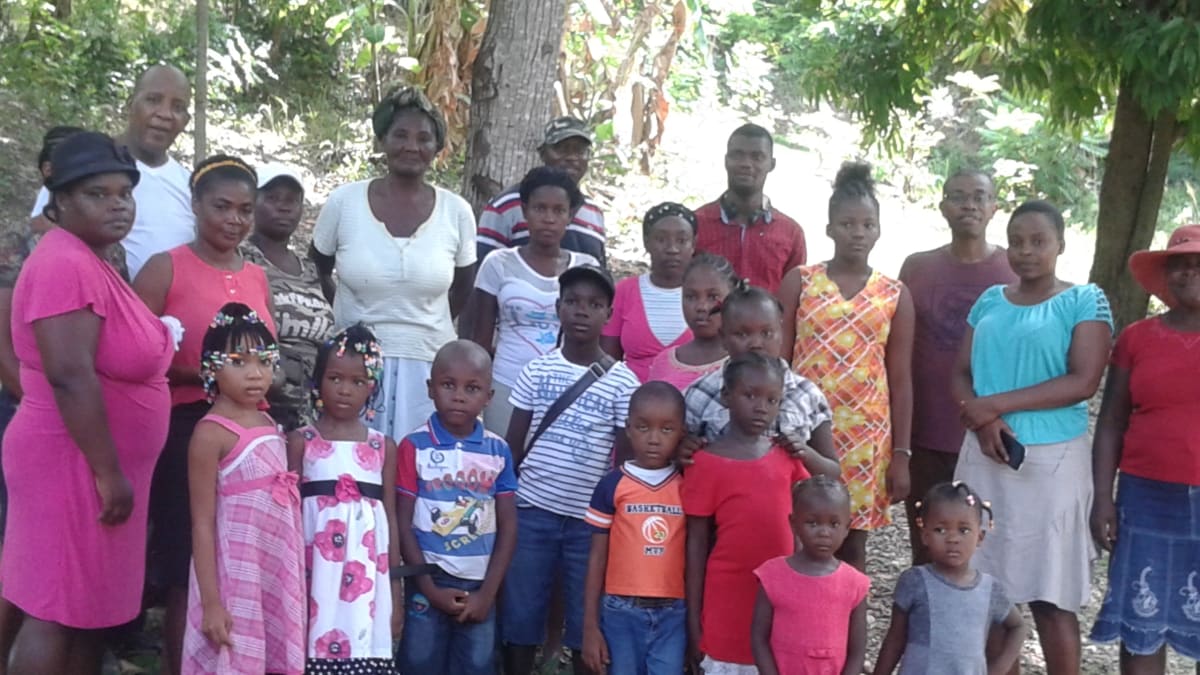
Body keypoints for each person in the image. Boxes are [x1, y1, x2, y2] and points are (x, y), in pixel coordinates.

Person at [0, 132, 174, 674]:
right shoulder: (62, 263)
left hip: (94, 463)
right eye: (98, 194)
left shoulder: (92, 260)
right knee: (54, 607)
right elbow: (70, 376)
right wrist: (107, 472)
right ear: (61, 201)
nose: (118, 204)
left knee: (85, 611)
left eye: (125, 193)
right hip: (72, 461)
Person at [951, 200, 1112, 675]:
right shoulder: (990, 300)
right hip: (984, 455)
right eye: (1016, 242)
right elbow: (960, 373)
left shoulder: (1084, 301)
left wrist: (995, 405)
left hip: (1051, 466)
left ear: (1061, 244)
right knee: (985, 588)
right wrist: (983, 421)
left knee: (1050, 594)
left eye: (1038, 241)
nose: (1026, 251)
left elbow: (1083, 381)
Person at [134, 154, 276, 675]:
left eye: (245, 209)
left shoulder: (257, 276)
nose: (234, 220)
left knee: (241, 554)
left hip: (250, 434)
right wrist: (207, 375)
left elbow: (265, 354)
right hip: (186, 428)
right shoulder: (165, 267)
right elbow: (130, 353)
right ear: (195, 206)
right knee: (186, 560)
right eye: (222, 207)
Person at [312, 86, 476, 440]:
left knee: (418, 463)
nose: (411, 146)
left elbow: (463, 286)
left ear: (437, 147)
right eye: (400, 135)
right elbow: (318, 269)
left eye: (424, 138)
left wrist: (420, 324)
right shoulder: (344, 203)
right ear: (382, 140)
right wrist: (352, 319)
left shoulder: (457, 212)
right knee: (352, 461)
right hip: (355, 367)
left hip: (429, 367)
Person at [499, 264, 641, 675]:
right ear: (558, 307)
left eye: (594, 304)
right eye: (573, 302)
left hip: (588, 523)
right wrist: (504, 505)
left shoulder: (623, 382)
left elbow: (623, 461)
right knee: (521, 612)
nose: (582, 311)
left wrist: (613, 519)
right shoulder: (537, 370)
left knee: (584, 617)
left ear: (608, 314)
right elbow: (512, 447)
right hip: (532, 513)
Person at [779, 161, 914, 572]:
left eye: (867, 224)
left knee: (852, 540)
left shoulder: (894, 294)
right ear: (829, 228)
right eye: (847, 224)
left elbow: (900, 378)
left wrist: (901, 454)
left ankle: (848, 613)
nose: (858, 233)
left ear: (878, 230)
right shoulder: (801, 281)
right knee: (794, 532)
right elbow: (777, 361)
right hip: (802, 429)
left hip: (865, 437)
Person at [683, 353, 838, 674]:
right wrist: (693, 619)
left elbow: (804, 524)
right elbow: (695, 544)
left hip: (781, 595)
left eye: (772, 400)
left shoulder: (787, 459)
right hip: (726, 593)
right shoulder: (705, 463)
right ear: (726, 396)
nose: (761, 407)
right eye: (750, 395)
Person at [1090, 224, 1200, 672]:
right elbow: (1111, 422)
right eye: (1180, 265)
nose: (1189, 273)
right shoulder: (1136, 338)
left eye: (1199, 265)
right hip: (1145, 497)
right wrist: (1103, 498)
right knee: (1141, 620)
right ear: (1165, 276)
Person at [898, 169, 1016, 566]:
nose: (969, 205)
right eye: (958, 196)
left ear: (994, 206)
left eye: (979, 196)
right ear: (943, 206)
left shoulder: (1013, 269)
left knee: (986, 544)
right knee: (928, 542)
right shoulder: (917, 268)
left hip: (991, 432)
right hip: (926, 432)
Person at [182, 302, 304, 674]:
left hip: (274, 565)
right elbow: (202, 523)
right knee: (237, 654)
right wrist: (211, 603)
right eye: (238, 362)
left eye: (265, 362)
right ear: (211, 368)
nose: (255, 374)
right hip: (235, 573)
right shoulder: (210, 434)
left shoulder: (269, 422)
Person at [395, 340, 518, 674]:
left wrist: (488, 594)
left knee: (476, 665)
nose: (459, 396)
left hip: (479, 583)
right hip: (428, 580)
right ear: (430, 388)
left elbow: (508, 526)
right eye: (448, 385)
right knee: (420, 663)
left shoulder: (498, 451)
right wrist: (429, 589)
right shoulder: (413, 446)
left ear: (489, 396)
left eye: (472, 388)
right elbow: (403, 523)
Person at [289, 323, 399, 672]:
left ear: (372, 386)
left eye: (358, 381)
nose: (345, 390)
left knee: (361, 637)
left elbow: (390, 519)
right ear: (318, 381)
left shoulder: (382, 446)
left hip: (365, 577)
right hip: (313, 571)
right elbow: (289, 513)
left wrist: (395, 588)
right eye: (335, 378)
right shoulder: (301, 441)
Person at [465, 166, 598, 434]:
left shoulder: (587, 268)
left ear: (570, 215)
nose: (548, 219)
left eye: (558, 210)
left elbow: (598, 337)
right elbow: (481, 338)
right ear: (524, 211)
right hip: (506, 384)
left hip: (569, 387)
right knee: (503, 455)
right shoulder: (498, 264)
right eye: (540, 208)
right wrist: (475, 387)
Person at [31, 65, 196, 279]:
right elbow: (41, 235)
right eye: (153, 100)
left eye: (178, 107)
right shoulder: (81, 168)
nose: (164, 114)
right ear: (130, 105)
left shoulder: (192, 187)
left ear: (186, 121)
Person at [582, 382, 689, 675]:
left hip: (673, 613)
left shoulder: (688, 485)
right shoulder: (612, 485)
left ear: (682, 432)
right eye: (643, 427)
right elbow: (596, 557)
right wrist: (590, 626)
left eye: (666, 429)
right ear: (628, 429)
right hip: (620, 611)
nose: (654, 439)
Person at [873, 482, 1026, 675]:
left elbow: (1018, 626)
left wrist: (999, 668)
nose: (953, 539)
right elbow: (895, 639)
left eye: (964, 530)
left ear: (980, 537)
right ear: (924, 535)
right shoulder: (915, 581)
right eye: (940, 530)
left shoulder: (989, 590)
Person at [682, 286, 838, 472]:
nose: (756, 344)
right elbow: (679, 465)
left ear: (781, 333)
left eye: (767, 333)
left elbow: (833, 470)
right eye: (742, 334)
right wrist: (683, 453)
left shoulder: (806, 393)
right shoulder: (700, 394)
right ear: (723, 337)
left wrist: (805, 452)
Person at [241, 162, 334, 431]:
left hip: (312, 410)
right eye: (272, 198)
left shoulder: (310, 270)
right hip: (264, 405)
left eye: (292, 200)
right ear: (253, 203)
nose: (283, 207)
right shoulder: (242, 259)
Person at [750, 476, 871, 675]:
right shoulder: (772, 576)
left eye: (834, 524)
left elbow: (857, 650)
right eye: (812, 523)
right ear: (793, 523)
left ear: (847, 528)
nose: (824, 532)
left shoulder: (855, 583)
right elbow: (758, 638)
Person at [476, 116, 607, 267]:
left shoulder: (594, 213)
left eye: (579, 150)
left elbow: (599, 274)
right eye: (561, 149)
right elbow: (483, 269)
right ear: (543, 153)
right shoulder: (505, 206)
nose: (571, 157)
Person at [692, 123, 806, 293]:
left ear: (772, 164)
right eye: (737, 155)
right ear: (726, 160)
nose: (746, 164)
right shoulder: (695, 224)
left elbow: (796, 296)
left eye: (757, 157)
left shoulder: (791, 233)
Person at [601, 202, 697, 381]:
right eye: (661, 239)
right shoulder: (625, 291)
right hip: (630, 394)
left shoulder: (705, 294)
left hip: (692, 396)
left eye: (682, 240)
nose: (672, 249)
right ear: (646, 242)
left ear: (694, 244)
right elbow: (608, 360)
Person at [646, 253, 738, 391]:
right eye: (691, 297)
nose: (701, 307)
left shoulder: (742, 363)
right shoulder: (664, 362)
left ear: (732, 298)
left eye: (713, 297)